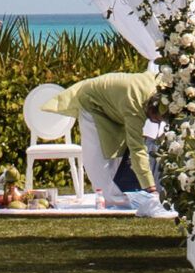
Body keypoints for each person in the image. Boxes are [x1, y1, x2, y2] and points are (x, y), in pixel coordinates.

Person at [53, 68, 164, 197]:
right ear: (151, 109)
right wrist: (150, 188)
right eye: (155, 119)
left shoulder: (161, 88)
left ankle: (120, 195)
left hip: (115, 104)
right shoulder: (135, 108)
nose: (154, 122)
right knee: (97, 161)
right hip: (92, 101)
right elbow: (137, 148)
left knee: (118, 155)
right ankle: (108, 198)